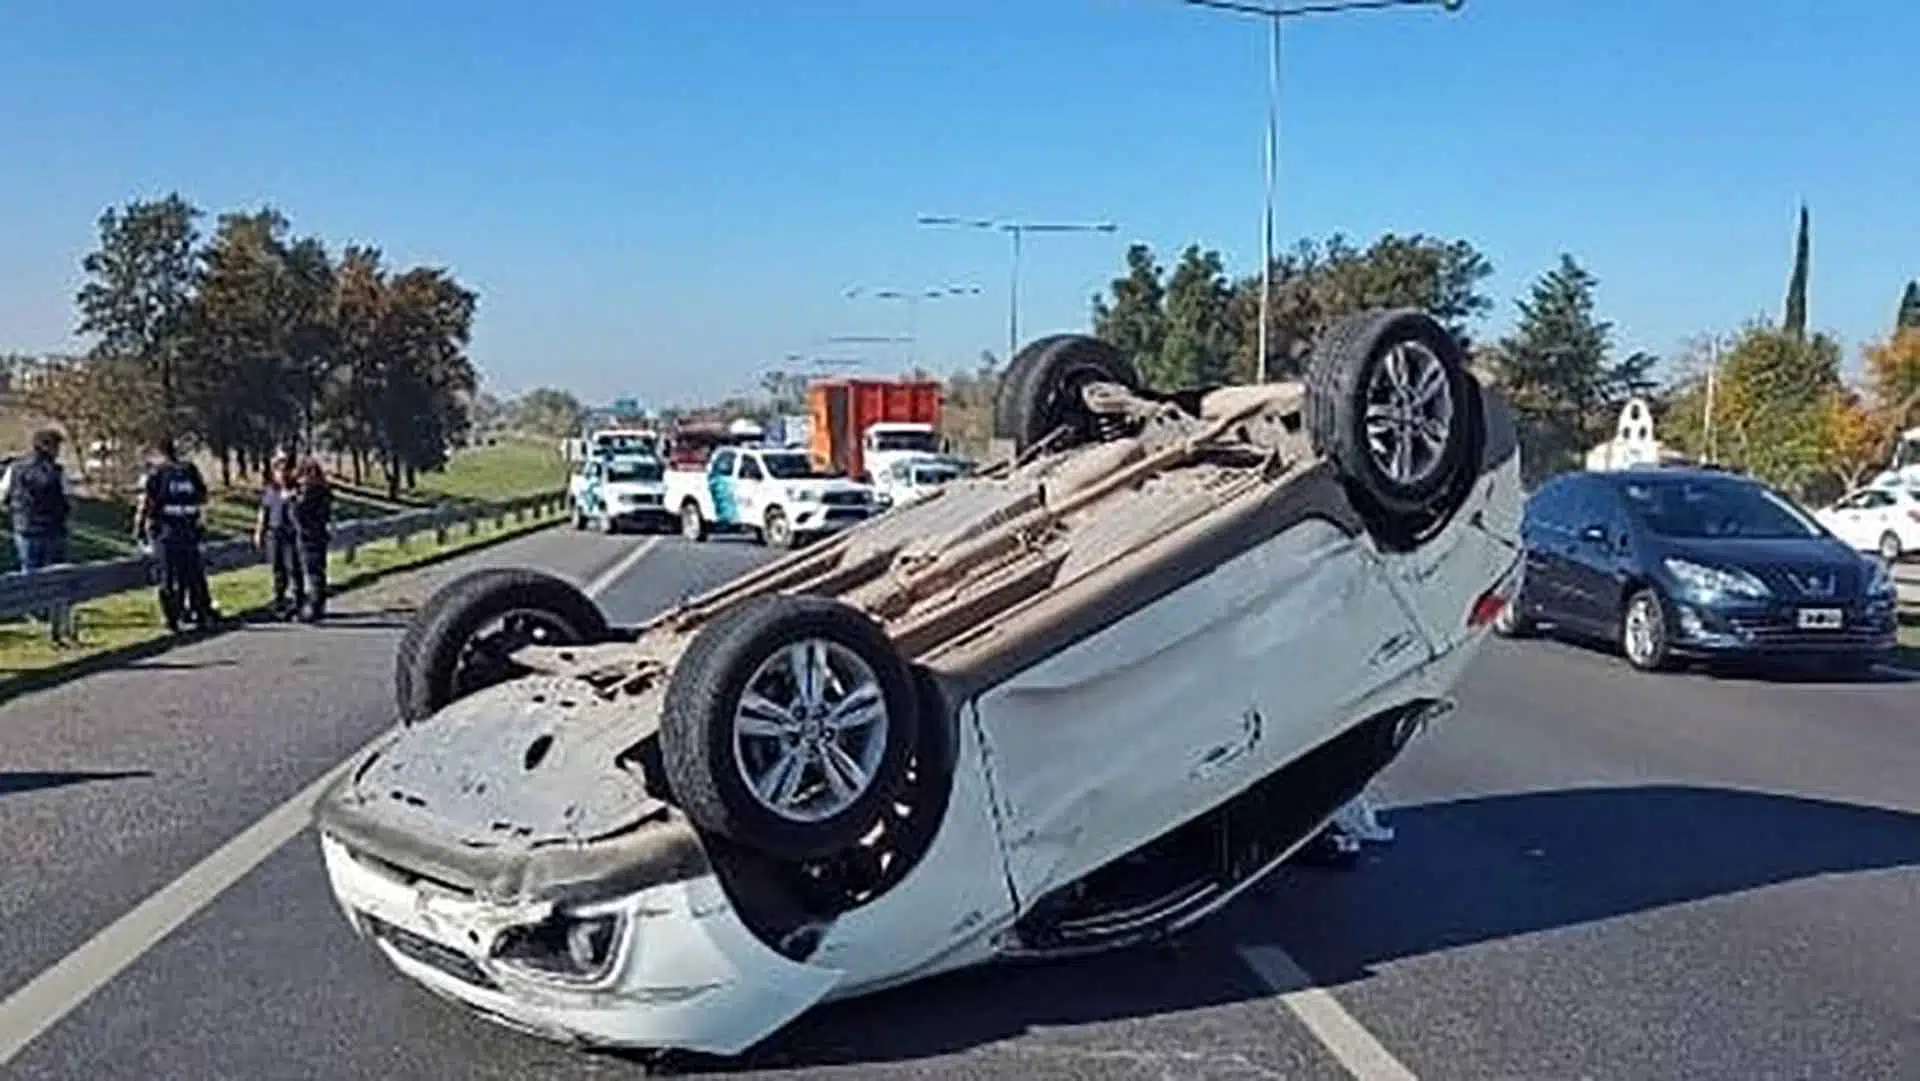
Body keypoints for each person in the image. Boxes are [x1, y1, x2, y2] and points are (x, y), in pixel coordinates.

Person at [133, 437, 218, 632]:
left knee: (168, 577)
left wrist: (139, 528)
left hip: (166, 532)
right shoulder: (189, 470)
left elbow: (146, 502)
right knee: (192, 574)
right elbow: (203, 499)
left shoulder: (156, 474)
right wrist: (201, 526)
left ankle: (173, 617)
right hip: (188, 530)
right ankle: (199, 612)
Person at [1, 428, 77, 646]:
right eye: (56, 446)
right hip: (54, 528)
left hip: (26, 528)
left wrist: (15, 512)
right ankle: (53, 617)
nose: (58, 451)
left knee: (30, 572)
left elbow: (3, 495)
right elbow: (69, 499)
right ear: (47, 447)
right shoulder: (57, 471)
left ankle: (34, 613)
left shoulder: (15, 469)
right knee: (55, 573)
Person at [253, 454, 303, 619]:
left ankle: (298, 602)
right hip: (274, 533)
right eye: (278, 470)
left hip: (291, 534)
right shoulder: (270, 490)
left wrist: (294, 497)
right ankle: (279, 601)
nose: (281, 474)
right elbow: (264, 511)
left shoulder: (296, 490)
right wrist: (259, 531)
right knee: (277, 568)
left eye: (285, 470)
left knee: (293, 568)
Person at [291, 457, 333, 622]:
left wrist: (293, 500)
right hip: (319, 534)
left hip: (309, 535)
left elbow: (299, 514)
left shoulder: (309, 493)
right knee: (318, 571)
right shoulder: (324, 491)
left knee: (313, 572)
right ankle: (318, 605)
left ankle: (315, 607)